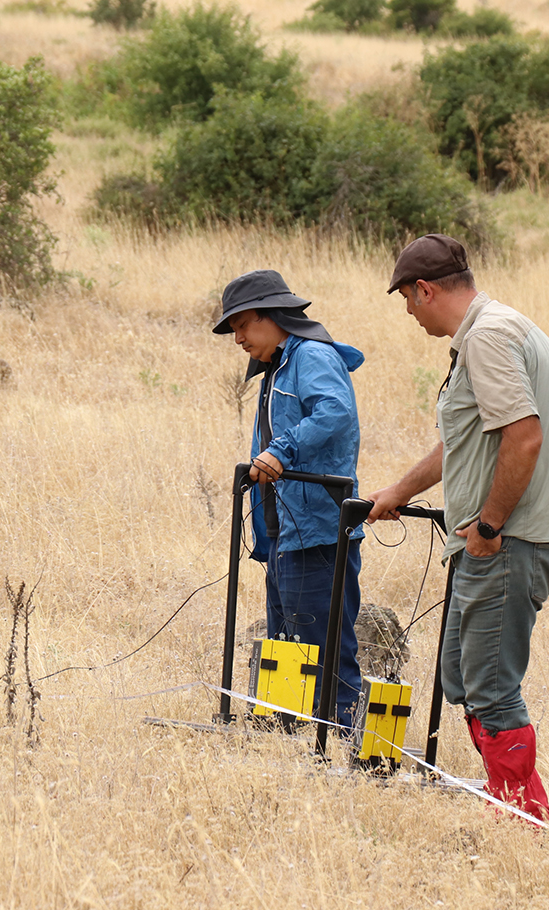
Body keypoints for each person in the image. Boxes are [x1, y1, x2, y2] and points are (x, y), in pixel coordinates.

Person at [367, 234, 549, 822]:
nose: (408, 311)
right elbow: (464, 441)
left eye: (407, 299)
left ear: (425, 289)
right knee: (462, 675)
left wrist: (487, 525)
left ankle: (521, 824)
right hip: (510, 540)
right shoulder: (508, 326)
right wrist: (399, 492)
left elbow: (524, 434)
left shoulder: (485, 338)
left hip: (508, 543)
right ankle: (508, 803)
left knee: (488, 686)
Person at [214, 269, 366, 727]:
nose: (237, 338)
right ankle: (287, 735)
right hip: (285, 535)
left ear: (273, 315)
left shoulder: (312, 356)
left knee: (324, 648)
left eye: (242, 324)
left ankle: (339, 741)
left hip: (318, 532)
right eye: (234, 330)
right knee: (287, 649)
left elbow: (334, 412)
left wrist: (281, 450)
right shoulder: (277, 364)